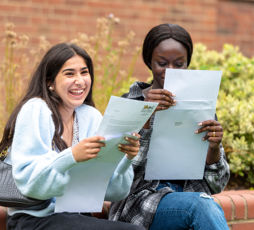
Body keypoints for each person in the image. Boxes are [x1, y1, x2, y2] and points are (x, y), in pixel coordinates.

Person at [1, 43, 145, 230]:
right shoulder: (36, 109)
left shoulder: (90, 116)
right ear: (50, 82)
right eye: (70, 74)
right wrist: (72, 156)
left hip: (74, 216)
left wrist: (126, 158)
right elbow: (30, 183)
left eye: (84, 73)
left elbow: (114, 192)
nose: (79, 81)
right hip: (33, 219)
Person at [108, 24, 230, 230]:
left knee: (202, 205)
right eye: (162, 63)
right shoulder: (130, 102)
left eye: (179, 64)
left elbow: (217, 185)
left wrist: (214, 148)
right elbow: (118, 177)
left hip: (189, 198)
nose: (170, 71)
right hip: (140, 204)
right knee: (200, 207)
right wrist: (146, 116)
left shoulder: (200, 106)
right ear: (149, 62)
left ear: (187, 64)